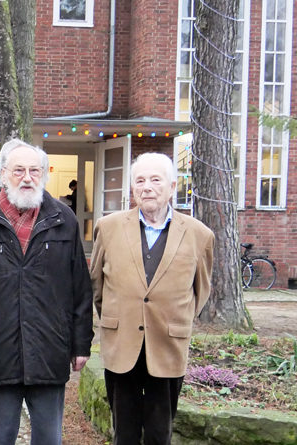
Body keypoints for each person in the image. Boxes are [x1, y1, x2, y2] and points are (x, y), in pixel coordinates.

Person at [0, 139, 93, 445]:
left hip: (49, 351)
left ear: (43, 175)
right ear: (3, 174)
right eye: (18, 171)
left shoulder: (63, 220)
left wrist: (81, 343)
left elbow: (80, 287)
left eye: (34, 170)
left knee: (48, 438)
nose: (27, 177)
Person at [90, 152, 214, 445]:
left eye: (155, 180)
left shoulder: (199, 235)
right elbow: (97, 287)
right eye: (140, 181)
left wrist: (174, 318)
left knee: (160, 433)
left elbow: (201, 290)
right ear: (132, 188)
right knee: (124, 433)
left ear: (172, 187)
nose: (147, 187)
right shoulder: (108, 228)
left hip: (168, 345)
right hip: (122, 346)